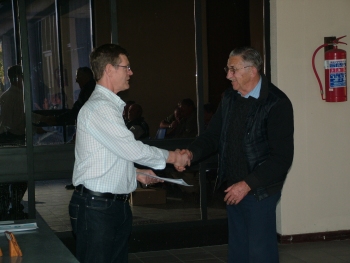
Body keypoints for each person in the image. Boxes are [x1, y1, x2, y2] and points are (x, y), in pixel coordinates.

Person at [69, 43, 189, 263]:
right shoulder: (100, 108)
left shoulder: (108, 106)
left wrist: (134, 174)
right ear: (109, 70)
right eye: (127, 67)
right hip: (99, 209)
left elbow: (109, 154)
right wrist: (174, 157)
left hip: (108, 206)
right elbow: (132, 149)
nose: (131, 72)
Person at [179, 47, 294, 263]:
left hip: (258, 190)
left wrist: (247, 184)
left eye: (233, 69)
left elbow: (281, 158)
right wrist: (191, 153)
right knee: (239, 251)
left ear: (252, 70)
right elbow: (213, 136)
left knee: (260, 253)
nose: (227, 75)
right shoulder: (230, 98)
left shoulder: (277, 104)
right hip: (233, 187)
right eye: (228, 68)